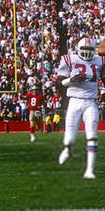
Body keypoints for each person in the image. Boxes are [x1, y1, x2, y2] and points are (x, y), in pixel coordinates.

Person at [56, 37, 105, 179]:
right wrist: (70, 80)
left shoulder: (99, 61)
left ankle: (89, 170)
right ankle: (67, 149)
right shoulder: (69, 59)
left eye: (90, 50)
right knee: (70, 137)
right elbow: (58, 83)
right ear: (78, 50)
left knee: (92, 136)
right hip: (75, 101)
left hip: (91, 102)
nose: (87, 53)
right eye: (84, 50)